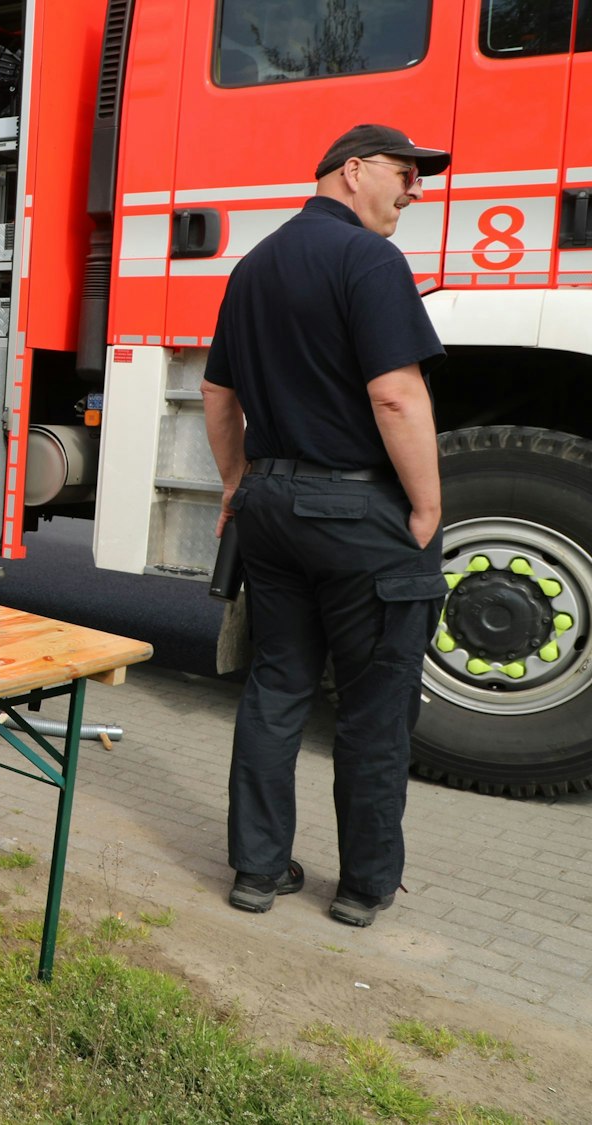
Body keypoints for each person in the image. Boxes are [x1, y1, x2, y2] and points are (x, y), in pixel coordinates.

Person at [204, 123, 451, 929]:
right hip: (356, 514)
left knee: (277, 686)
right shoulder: (369, 261)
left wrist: (237, 483)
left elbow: (217, 394)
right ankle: (363, 885)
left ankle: (256, 869)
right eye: (404, 173)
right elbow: (396, 395)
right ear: (352, 171)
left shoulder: (252, 266)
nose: (415, 190)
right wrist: (427, 505)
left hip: (271, 509)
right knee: (375, 706)